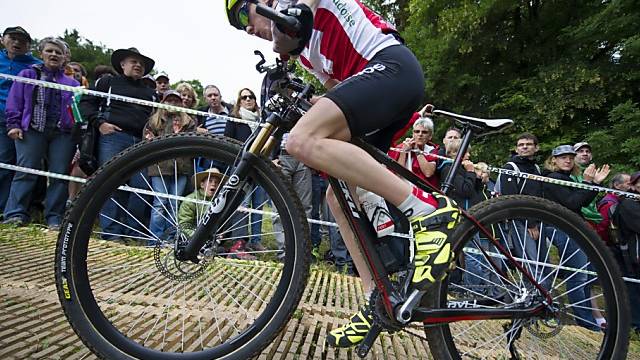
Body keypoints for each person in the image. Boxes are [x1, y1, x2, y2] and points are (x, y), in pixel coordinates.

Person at [226, 0, 459, 348]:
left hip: (391, 68)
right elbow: (342, 94)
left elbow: (303, 14)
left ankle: (427, 211)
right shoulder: (307, 52)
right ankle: (377, 297)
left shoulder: (298, 9)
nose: (246, 28)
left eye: (244, 14)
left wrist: (292, 19)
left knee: (301, 141)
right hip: (378, 83)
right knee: (338, 194)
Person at [79, 47, 158, 240]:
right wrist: (100, 124)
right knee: (109, 182)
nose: (138, 65)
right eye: (134, 61)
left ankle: (133, 231)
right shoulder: (107, 82)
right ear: (122, 64)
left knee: (142, 187)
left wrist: (152, 133)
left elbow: (156, 118)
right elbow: (86, 103)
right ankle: (111, 232)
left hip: (140, 142)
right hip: (113, 137)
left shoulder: (151, 93)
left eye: (141, 63)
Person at [3, 37, 79, 229]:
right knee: (26, 170)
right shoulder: (27, 74)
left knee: (59, 175)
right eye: (50, 51)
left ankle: (54, 217)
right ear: (41, 53)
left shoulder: (72, 83)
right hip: (32, 130)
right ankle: (15, 214)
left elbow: (78, 112)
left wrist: (77, 136)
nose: (54, 55)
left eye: (58, 52)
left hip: (62, 134)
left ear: (65, 58)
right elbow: (14, 101)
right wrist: (13, 124)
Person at [543, 145, 610, 331]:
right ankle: (586, 322)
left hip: (573, 229)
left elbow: (582, 202)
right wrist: (589, 184)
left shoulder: (567, 178)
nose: (568, 160)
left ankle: (588, 320)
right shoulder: (553, 178)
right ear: (553, 160)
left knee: (584, 276)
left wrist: (595, 185)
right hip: (562, 229)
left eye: (571, 157)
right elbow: (572, 203)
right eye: (563, 157)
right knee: (578, 276)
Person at [143, 90, 196, 242]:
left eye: (176, 100)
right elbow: (146, 142)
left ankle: (170, 238)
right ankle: (155, 239)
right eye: (169, 100)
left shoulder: (188, 122)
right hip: (159, 168)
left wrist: (178, 134)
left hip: (181, 168)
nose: (172, 103)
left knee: (174, 203)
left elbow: (192, 145)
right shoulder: (154, 121)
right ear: (163, 102)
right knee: (160, 203)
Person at [0, 26, 41, 217]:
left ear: (29, 45)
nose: (16, 43)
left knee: (19, 165)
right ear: (3, 39)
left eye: (22, 40)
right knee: (4, 163)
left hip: (23, 121)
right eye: (13, 38)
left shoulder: (36, 66)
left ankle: (11, 210)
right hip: (2, 116)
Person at [178, 168, 256, 260]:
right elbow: (184, 225)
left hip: (215, 235)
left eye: (216, 182)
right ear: (202, 184)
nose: (213, 184)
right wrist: (199, 238)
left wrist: (237, 209)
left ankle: (238, 248)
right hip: (195, 238)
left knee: (240, 212)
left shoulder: (221, 199)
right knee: (220, 250)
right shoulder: (190, 200)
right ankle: (224, 252)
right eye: (210, 181)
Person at [226, 88, 268, 251]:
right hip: (240, 167)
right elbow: (227, 141)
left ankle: (256, 241)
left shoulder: (262, 121)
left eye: (251, 97)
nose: (248, 99)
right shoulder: (234, 118)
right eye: (244, 97)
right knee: (241, 204)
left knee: (258, 205)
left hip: (260, 167)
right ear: (239, 101)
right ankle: (240, 242)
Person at [611, 171, 640, 334]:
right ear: (634, 186)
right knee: (633, 288)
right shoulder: (629, 203)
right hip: (632, 253)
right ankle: (636, 324)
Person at [388, 117, 439, 188]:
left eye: (424, 132)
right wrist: (404, 152)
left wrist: (417, 150)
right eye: (417, 131)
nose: (420, 134)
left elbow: (428, 173)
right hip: (401, 189)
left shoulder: (431, 150)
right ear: (413, 134)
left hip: (421, 192)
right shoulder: (401, 147)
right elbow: (397, 175)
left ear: (430, 136)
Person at [596, 173, 630, 245]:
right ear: (617, 185)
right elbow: (601, 228)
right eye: (629, 184)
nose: (631, 187)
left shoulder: (621, 200)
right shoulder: (609, 204)